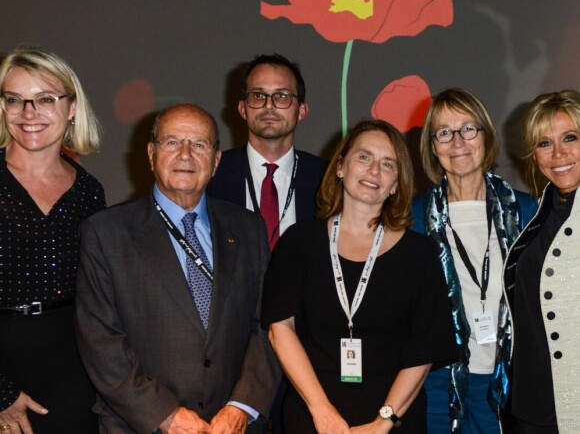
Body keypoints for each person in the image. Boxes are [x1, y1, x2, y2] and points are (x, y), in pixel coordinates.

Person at [75, 103, 280, 433]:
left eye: (199, 144)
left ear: (215, 162)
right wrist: (165, 415)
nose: (185, 154)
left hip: (232, 426)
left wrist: (242, 406)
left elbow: (268, 327)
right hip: (141, 425)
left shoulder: (249, 229)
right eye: (172, 142)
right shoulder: (105, 233)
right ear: (151, 153)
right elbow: (100, 343)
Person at [262, 120, 456, 433]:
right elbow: (280, 329)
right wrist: (321, 410)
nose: (374, 171)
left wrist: (384, 422)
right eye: (364, 157)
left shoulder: (419, 254)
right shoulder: (300, 241)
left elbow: (424, 351)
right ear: (340, 167)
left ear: (396, 183)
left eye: (387, 164)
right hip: (312, 418)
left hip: (393, 424)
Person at [412, 88, 537, 433]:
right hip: (435, 387)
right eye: (444, 132)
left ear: (486, 136)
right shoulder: (413, 221)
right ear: (433, 147)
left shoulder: (527, 213)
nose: (458, 142)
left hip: (512, 385)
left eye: (469, 129)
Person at [0, 46, 105, 433]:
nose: (29, 114)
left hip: (74, 370)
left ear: (72, 107)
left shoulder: (89, 191)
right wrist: (2, 394)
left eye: (45, 99)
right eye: (15, 100)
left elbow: (97, 294)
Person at [504, 89, 580, 433]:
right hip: (533, 407)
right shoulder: (534, 216)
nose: (559, 153)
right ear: (534, 155)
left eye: (570, 138)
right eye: (544, 143)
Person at [207, 53, 327, 249]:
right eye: (258, 95)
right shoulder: (212, 174)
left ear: (302, 111)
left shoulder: (327, 179)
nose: (268, 105)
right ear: (242, 109)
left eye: (282, 96)